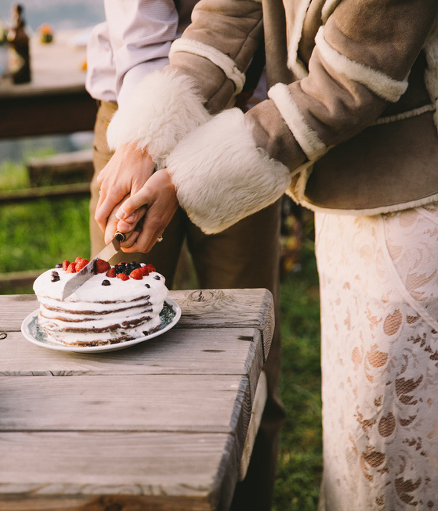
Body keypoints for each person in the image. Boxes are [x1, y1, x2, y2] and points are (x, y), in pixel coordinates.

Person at [99, 0, 438, 508]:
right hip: (342, 204)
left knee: (391, 450)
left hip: (413, 212)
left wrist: (186, 176)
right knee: (357, 435)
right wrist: (145, 140)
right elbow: (231, 16)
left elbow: (349, 82)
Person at [86, 2, 284, 509]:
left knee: (247, 351)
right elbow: (141, 35)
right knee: (112, 345)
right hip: (135, 112)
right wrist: (146, 137)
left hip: (244, 128)